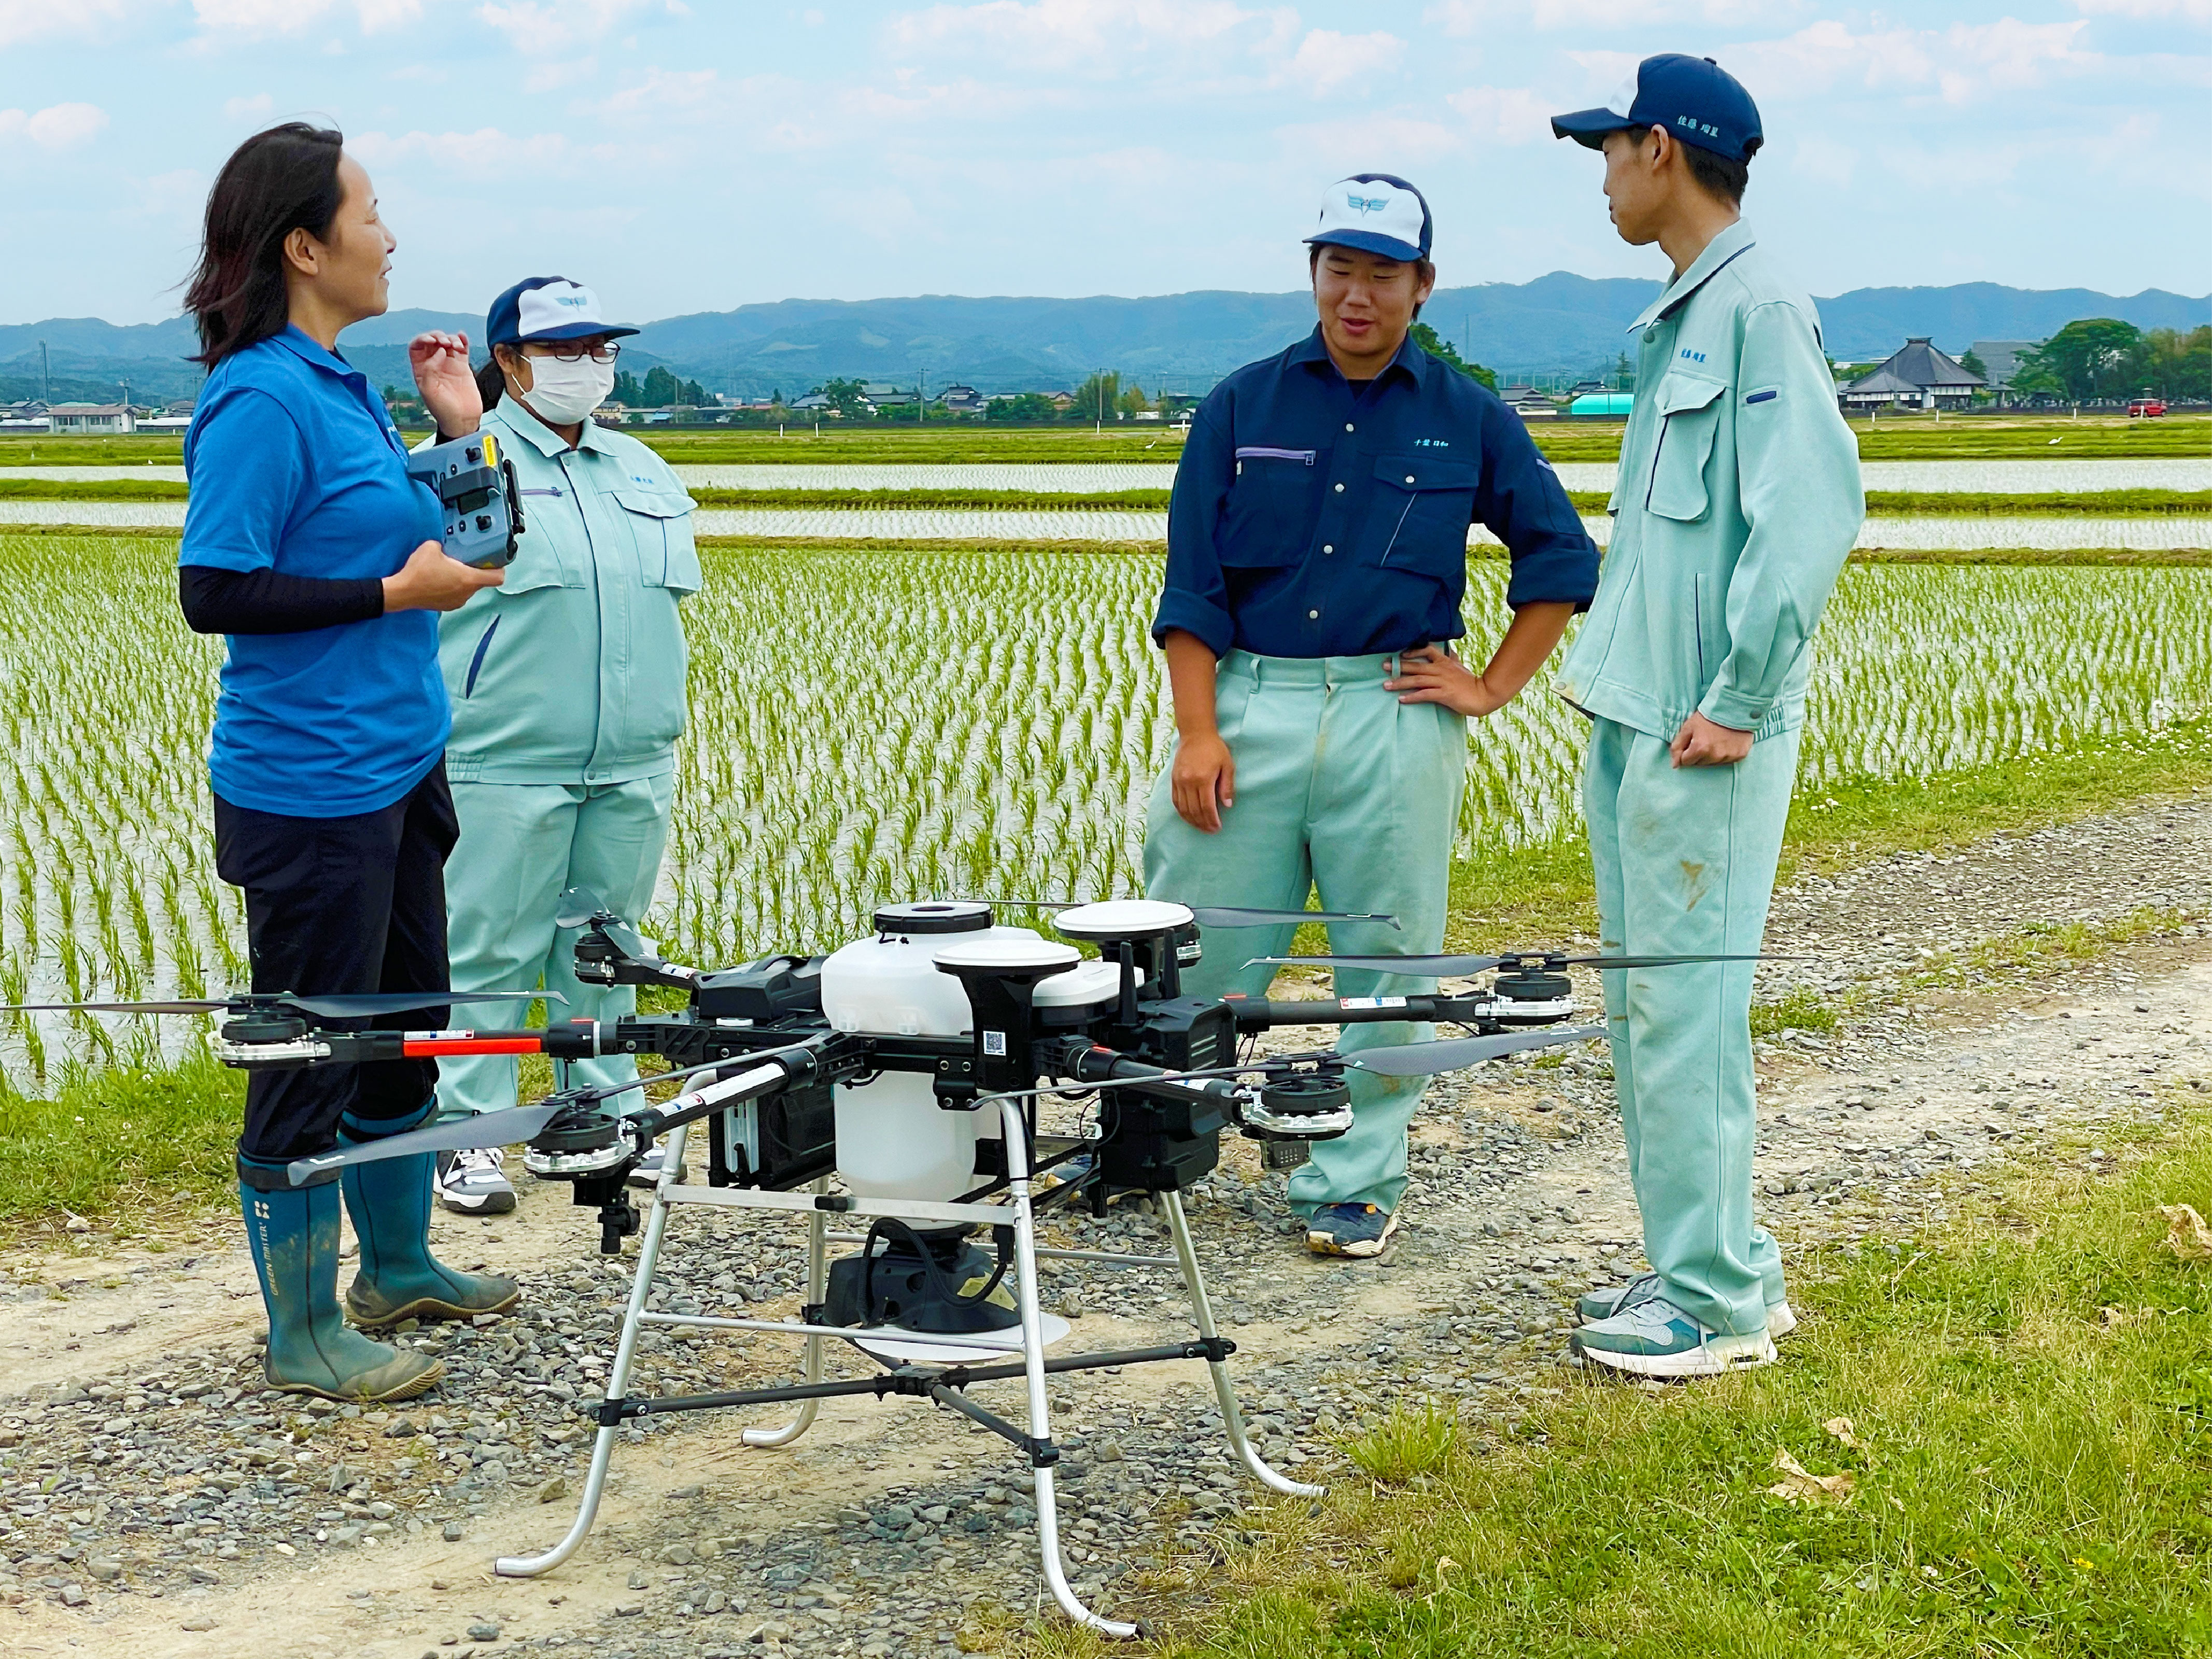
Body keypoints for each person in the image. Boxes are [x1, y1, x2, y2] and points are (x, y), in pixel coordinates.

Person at [1146, 174, 1600, 1259]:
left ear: (1421, 286)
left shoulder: (1466, 416)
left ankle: (1356, 1177)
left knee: (1387, 965)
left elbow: (1561, 557)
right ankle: (1164, 1146)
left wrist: (1489, 687)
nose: (1357, 293)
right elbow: (1192, 587)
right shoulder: (1242, 405)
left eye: (1381, 273)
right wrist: (1198, 730)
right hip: (1249, 702)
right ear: (1313, 274)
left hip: (1392, 712)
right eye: (1338, 267)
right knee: (1198, 948)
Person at [178, 122, 518, 1402]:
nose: (390, 237)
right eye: (371, 214)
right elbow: (215, 587)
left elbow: (472, 551)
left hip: (397, 763)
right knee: (308, 1048)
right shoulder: (260, 395)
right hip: (310, 784)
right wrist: (388, 595)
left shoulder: (339, 385)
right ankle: (301, 1332)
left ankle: (398, 1264)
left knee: (403, 1028)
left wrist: (458, 429)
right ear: (305, 246)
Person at [1548, 57, 1864, 1376]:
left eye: (1608, 149)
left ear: (1661, 150)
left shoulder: (1759, 310)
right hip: (1643, 716)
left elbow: (1807, 515)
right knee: (1654, 1008)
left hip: (1701, 731)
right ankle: (1716, 1265)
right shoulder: (1681, 314)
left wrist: (1736, 702)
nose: (1602, 175)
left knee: (1681, 1010)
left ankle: (1714, 1306)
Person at [424, 278, 700, 1214]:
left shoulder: (642, 468)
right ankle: (470, 1134)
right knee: (488, 950)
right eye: (567, 351)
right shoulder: (468, 465)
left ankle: (599, 1112)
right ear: (510, 362)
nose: (591, 367)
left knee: (606, 947)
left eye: (601, 349)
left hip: (632, 756)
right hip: (506, 756)